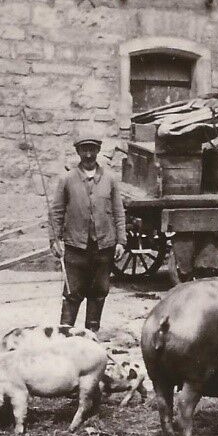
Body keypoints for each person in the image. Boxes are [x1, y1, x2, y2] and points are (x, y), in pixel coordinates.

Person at [47, 136, 126, 332]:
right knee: (72, 292)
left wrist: (121, 241)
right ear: (78, 152)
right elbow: (56, 212)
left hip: (104, 246)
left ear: (98, 151)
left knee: (99, 292)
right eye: (84, 150)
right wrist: (54, 240)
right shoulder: (67, 180)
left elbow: (118, 211)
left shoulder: (110, 179)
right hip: (76, 246)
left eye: (92, 149)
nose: (88, 154)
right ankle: (65, 333)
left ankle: (91, 334)